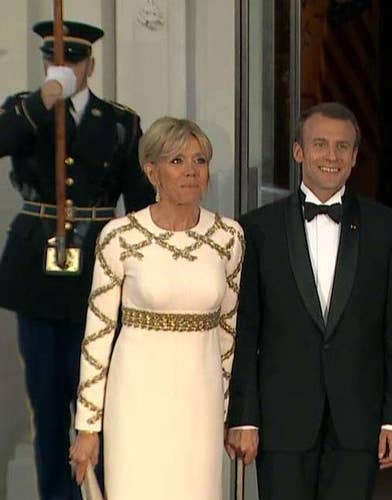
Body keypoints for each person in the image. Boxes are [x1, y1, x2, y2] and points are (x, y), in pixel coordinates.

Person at [0, 20, 154, 499]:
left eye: (71, 60)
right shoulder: (24, 111)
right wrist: (44, 98)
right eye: (53, 59)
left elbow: (140, 201)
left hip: (98, 271)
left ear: (90, 63)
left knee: (100, 406)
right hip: (38, 274)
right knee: (47, 407)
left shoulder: (120, 121)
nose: (61, 67)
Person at [225, 102, 392, 500]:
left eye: (343, 147)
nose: (332, 156)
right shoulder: (257, 228)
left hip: (358, 420)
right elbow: (247, 329)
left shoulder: (386, 227)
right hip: (281, 420)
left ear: (356, 156)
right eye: (320, 144)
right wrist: (244, 416)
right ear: (298, 151)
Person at [67, 117, 244, 499]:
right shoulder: (120, 236)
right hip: (135, 400)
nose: (191, 172)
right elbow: (97, 336)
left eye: (200, 161)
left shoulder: (228, 237)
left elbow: (229, 334)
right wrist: (87, 426)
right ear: (152, 171)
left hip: (202, 402)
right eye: (177, 161)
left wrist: (230, 414)